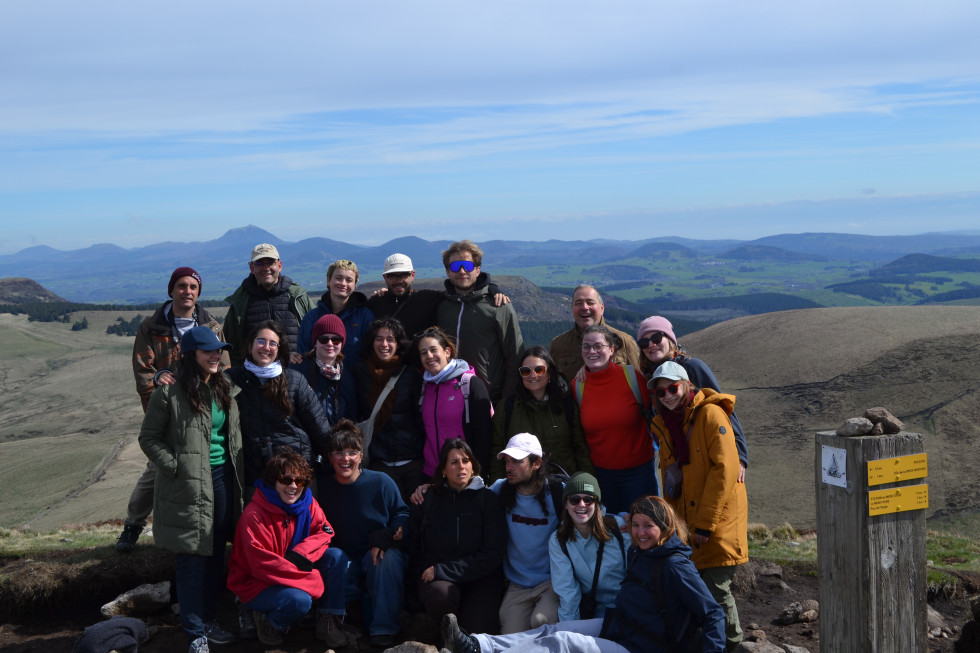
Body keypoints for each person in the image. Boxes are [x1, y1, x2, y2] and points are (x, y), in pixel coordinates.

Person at [439, 495, 726, 653]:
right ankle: (479, 645)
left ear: (665, 528)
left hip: (646, 646)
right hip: (621, 628)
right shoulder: (640, 552)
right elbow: (604, 520)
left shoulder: (675, 566)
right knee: (552, 630)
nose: (639, 532)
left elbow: (712, 614)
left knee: (563, 643)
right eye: (635, 524)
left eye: (648, 525)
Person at [138, 326, 243, 653]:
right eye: (208, 351)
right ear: (191, 355)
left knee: (214, 555)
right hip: (187, 483)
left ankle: (208, 618)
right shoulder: (168, 394)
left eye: (218, 351)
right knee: (190, 559)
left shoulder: (224, 386)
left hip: (224, 478)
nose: (215, 356)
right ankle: (194, 632)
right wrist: (176, 467)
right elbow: (149, 439)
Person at [117, 267, 229, 553]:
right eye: (181, 286)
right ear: (171, 290)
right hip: (168, 411)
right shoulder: (152, 326)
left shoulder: (211, 325)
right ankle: (133, 525)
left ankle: (206, 529)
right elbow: (142, 367)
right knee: (156, 469)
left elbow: (224, 367)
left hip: (204, 411)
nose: (187, 291)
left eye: (193, 287)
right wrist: (157, 381)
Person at [648, 361, 748, 650]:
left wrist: (705, 522)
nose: (667, 395)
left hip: (717, 522)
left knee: (716, 590)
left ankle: (731, 645)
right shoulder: (666, 425)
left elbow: (725, 470)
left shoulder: (710, 414)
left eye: (672, 388)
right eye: (661, 391)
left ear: (686, 385)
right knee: (696, 592)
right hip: (688, 525)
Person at [227, 452, 348, 648]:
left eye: (299, 481)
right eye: (286, 479)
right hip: (257, 583)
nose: (293, 486)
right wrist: (310, 580)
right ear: (273, 481)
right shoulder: (254, 515)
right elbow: (262, 567)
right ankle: (270, 622)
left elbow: (325, 531)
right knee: (300, 600)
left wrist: (301, 553)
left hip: (292, 572)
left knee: (336, 557)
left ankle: (328, 620)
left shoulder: (308, 503)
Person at [317, 419, 410, 649]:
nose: (345, 459)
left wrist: (388, 534)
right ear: (330, 457)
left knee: (384, 560)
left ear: (360, 456)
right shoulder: (322, 488)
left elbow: (403, 516)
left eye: (352, 452)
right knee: (335, 560)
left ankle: (383, 630)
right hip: (343, 560)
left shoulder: (381, 482)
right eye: (339, 452)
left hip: (376, 556)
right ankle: (333, 622)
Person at [406, 438, 507, 635]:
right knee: (439, 596)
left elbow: (492, 554)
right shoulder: (428, 498)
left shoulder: (488, 501)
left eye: (466, 460)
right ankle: (444, 634)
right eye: (454, 462)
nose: (461, 466)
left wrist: (444, 569)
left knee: (478, 634)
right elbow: (412, 539)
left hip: (480, 578)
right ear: (443, 469)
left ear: (473, 466)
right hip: (440, 580)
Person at [638, 315, 749, 480]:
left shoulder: (692, 368)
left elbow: (723, 408)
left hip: (706, 457)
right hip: (677, 461)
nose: (651, 345)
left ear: (669, 339)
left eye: (656, 337)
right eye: (644, 342)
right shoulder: (650, 378)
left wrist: (740, 455)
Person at [226, 320, 331, 488]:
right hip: (253, 474)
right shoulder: (232, 379)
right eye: (261, 341)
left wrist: (330, 465)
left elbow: (320, 429)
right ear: (250, 344)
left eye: (273, 343)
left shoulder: (294, 380)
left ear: (279, 349)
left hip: (295, 474)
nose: (266, 347)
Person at [575, 324, 656, 513]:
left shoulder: (632, 378)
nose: (591, 351)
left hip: (639, 473)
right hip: (600, 476)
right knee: (609, 533)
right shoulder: (578, 386)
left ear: (611, 350)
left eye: (598, 346)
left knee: (642, 529)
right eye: (586, 346)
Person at [489, 433, 564, 634]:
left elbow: (590, 508)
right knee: (510, 639)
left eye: (516, 461)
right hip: (517, 585)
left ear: (536, 463)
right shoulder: (500, 489)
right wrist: (431, 487)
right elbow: (467, 494)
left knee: (541, 622)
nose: (508, 467)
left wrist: (622, 519)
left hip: (552, 582)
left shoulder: (557, 492)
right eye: (506, 461)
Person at [436, 240, 524, 404]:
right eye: (455, 266)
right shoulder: (441, 306)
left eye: (467, 266)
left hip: (489, 398)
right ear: (448, 271)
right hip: (450, 396)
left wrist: (507, 400)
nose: (462, 271)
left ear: (478, 270)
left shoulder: (498, 305)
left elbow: (515, 355)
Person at [489, 346, 592, 481]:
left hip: (562, 487)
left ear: (549, 372)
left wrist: (587, 484)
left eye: (539, 370)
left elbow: (580, 449)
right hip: (522, 488)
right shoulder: (507, 408)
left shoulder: (566, 406)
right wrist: (498, 486)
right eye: (526, 371)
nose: (533, 375)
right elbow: (497, 449)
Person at [350, 317, 426, 502]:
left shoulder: (410, 374)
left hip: (412, 462)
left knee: (416, 518)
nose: (384, 344)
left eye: (390, 339)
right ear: (371, 342)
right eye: (379, 338)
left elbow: (420, 417)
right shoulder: (359, 373)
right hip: (378, 462)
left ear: (399, 343)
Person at [368, 252, 512, 338]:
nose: (399, 280)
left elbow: (461, 290)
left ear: (412, 275)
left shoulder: (427, 299)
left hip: (422, 375)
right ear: (385, 277)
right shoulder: (375, 303)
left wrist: (492, 288)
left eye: (404, 275)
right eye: (393, 276)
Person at [549, 473, 627, 623]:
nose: (582, 505)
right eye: (574, 499)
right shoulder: (558, 540)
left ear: (597, 503)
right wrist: (571, 633)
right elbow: (567, 592)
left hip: (627, 606)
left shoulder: (620, 528)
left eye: (588, 499)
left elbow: (636, 573)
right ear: (566, 504)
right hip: (595, 610)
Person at [416, 326, 493, 478]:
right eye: (423, 353)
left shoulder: (470, 384)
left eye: (433, 350)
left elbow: (484, 435)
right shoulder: (425, 387)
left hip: (463, 475)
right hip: (433, 474)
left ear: (447, 352)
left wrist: (478, 475)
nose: (429, 356)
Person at [224, 243, 313, 365]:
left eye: (270, 262)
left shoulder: (297, 297)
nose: (266, 268)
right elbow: (231, 346)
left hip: (296, 373)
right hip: (254, 379)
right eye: (260, 263)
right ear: (252, 268)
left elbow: (316, 335)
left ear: (279, 265)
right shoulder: (240, 302)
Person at [549, 285, 642, 384]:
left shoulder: (624, 340)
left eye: (590, 302)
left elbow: (639, 380)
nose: (584, 307)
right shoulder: (558, 345)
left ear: (602, 308)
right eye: (578, 303)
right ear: (572, 309)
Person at [297, 259, 375, 367]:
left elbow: (372, 353)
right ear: (328, 280)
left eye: (349, 280)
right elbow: (303, 354)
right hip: (316, 380)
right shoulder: (311, 318)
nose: (343, 283)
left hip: (356, 381)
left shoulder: (365, 317)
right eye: (338, 278)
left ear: (355, 284)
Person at [290, 313, 357, 425]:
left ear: (342, 343)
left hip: (337, 439)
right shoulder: (299, 370)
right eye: (323, 339)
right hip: (307, 440)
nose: (330, 344)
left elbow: (352, 416)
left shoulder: (347, 376)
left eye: (336, 340)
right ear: (315, 342)